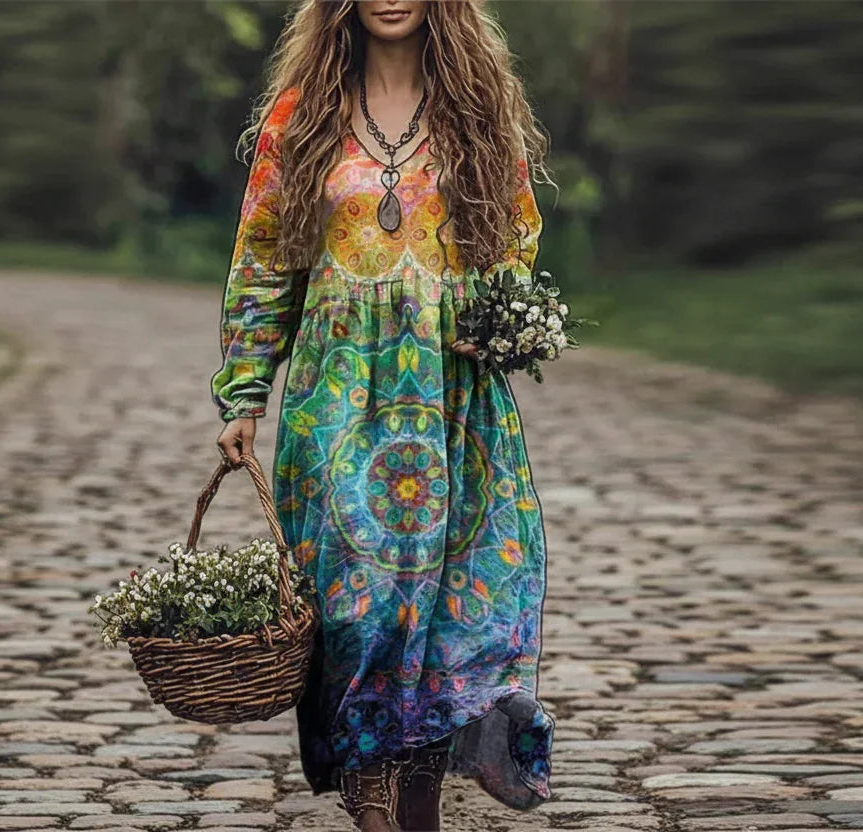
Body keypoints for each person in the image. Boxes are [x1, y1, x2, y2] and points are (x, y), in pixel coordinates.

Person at [211, 1, 554, 829]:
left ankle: (418, 801)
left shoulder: (474, 106)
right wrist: (246, 389)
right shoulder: (303, 117)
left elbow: (516, 237)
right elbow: (263, 254)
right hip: (337, 401)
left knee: (444, 613)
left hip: (452, 406)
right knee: (358, 605)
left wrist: (497, 317)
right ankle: (373, 796)